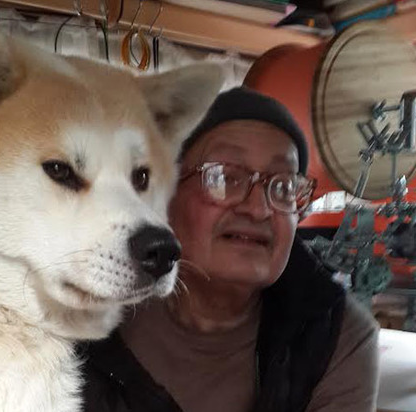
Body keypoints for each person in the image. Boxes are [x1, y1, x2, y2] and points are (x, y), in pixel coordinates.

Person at [79, 87, 380, 412]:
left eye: (283, 186)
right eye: (225, 177)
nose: (259, 209)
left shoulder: (333, 336)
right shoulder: (80, 312)